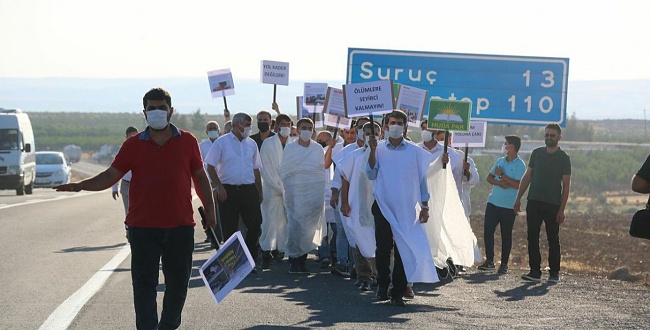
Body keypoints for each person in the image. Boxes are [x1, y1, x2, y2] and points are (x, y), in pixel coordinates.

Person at [55, 87, 216, 330]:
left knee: (178, 285)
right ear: (144, 112)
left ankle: (168, 326)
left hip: (180, 227)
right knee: (143, 287)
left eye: (162, 107)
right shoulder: (133, 145)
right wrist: (80, 186)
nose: (157, 112)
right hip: (143, 228)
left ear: (171, 111)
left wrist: (210, 210)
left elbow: (200, 177)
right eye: (152, 108)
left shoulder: (187, 141)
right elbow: (110, 175)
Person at [367, 110, 438, 307]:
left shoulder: (415, 152)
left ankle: (398, 291)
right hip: (382, 205)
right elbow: (371, 174)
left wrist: (425, 205)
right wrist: (372, 151)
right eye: (392, 123)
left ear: (405, 127)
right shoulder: (378, 148)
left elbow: (421, 181)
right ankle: (382, 285)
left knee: (402, 249)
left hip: (407, 209)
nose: (396, 126)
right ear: (386, 126)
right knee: (383, 248)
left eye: (399, 123)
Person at [205, 112, 263, 273]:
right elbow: (209, 166)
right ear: (237, 125)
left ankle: (250, 259)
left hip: (249, 189)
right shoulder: (221, 143)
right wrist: (219, 187)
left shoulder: (251, 144)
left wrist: (259, 190)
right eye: (247, 124)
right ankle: (232, 265)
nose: (249, 128)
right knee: (230, 229)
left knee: (255, 224)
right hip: (228, 190)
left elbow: (256, 168)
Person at [514, 123, 571, 283]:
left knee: (553, 239)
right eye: (547, 135)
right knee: (532, 237)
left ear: (559, 138)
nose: (549, 138)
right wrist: (518, 199)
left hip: (552, 204)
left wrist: (562, 209)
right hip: (533, 201)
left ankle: (554, 273)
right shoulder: (536, 153)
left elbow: (566, 186)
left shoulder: (564, 158)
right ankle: (534, 272)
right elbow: (527, 177)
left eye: (552, 135)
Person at [279, 118, 326, 274]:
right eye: (303, 128)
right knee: (295, 227)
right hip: (295, 194)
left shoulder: (318, 148)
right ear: (297, 130)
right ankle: (294, 260)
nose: (306, 131)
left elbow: (320, 171)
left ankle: (303, 260)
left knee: (308, 228)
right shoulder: (290, 148)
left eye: (309, 128)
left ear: (313, 131)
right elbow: (285, 171)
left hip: (313, 196)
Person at [339, 121, 381, 291]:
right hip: (357, 205)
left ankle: (380, 275)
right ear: (362, 135)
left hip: (379, 205)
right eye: (368, 132)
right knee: (359, 239)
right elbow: (345, 179)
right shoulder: (354, 155)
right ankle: (364, 276)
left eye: (375, 133)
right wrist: (344, 203)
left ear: (381, 134)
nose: (371, 136)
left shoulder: (384, 154)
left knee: (380, 241)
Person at [478, 135, 526, 274]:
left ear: (513, 147)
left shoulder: (520, 165)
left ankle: (504, 264)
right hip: (493, 202)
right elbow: (489, 177)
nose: (505, 146)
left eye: (507, 144)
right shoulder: (500, 161)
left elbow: (518, 185)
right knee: (488, 231)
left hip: (508, 206)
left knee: (506, 234)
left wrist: (503, 176)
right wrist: (499, 182)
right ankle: (489, 261)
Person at [258, 114, 292, 270]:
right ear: (276, 126)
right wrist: (279, 187)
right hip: (272, 191)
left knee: (287, 223)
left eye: (288, 124)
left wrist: (289, 189)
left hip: (291, 191)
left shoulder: (294, 143)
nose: (285, 126)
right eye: (282, 124)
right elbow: (266, 169)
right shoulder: (268, 144)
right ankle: (266, 253)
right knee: (269, 224)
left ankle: (284, 252)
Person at [112, 126, 139, 241]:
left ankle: (139, 231)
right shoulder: (122, 150)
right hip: (126, 184)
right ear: (126, 137)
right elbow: (115, 170)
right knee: (128, 210)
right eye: (130, 136)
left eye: (135, 136)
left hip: (140, 185)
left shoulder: (143, 148)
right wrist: (114, 188)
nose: (132, 138)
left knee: (140, 209)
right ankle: (129, 231)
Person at [199, 121, 221, 244]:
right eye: (210, 128)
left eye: (215, 128)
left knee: (221, 211)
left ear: (219, 130)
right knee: (209, 209)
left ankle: (220, 236)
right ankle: (210, 234)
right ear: (207, 132)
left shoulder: (223, 143)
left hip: (222, 182)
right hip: (207, 182)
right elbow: (201, 166)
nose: (213, 130)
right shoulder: (202, 146)